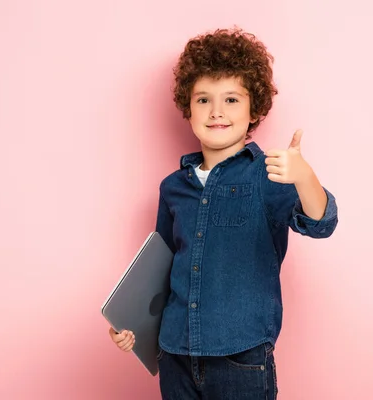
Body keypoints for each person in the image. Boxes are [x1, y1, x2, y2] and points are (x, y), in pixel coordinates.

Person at [109, 27, 338, 399]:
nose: (216, 112)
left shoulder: (270, 174)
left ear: (255, 109)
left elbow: (321, 223)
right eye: (203, 100)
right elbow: (157, 273)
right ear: (188, 107)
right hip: (174, 356)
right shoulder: (173, 188)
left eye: (231, 100)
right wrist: (131, 326)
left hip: (241, 357)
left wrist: (304, 177)